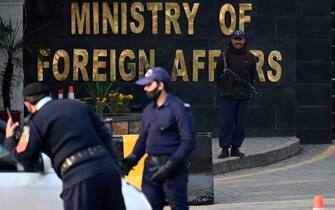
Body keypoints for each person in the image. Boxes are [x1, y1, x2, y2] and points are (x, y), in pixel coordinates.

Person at [4, 82, 126, 210]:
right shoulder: (78, 106)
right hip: (108, 170)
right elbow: (105, 134)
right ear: (50, 95)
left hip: (80, 178)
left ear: (27, 104)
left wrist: (10, 139)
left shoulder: (34, 121)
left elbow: (25, 158)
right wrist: (114, 163)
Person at [119, 67, 196, 210]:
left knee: (179, 207)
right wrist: (132, 159)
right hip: (150, 168)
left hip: (173, 168)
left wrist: (170, 166)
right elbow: (143, 139)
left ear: (160, 85)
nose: (145, 89)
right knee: (148, 206)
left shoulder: (178, 108)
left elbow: (189, 141)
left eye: (149, 85)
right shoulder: (148, 110)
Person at [217, 30, 256, 159]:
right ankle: (224, 149)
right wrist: (226, 87)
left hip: (243, 96)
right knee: (226, 123)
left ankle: (235, 148)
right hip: (228, 96)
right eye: (235, 39)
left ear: (244, 40)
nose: (238, 41)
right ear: (232, 40)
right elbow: (217, 76)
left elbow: (252, 77)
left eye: (240, 39)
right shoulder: (224, 57)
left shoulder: (250, 57)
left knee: (240, 125)